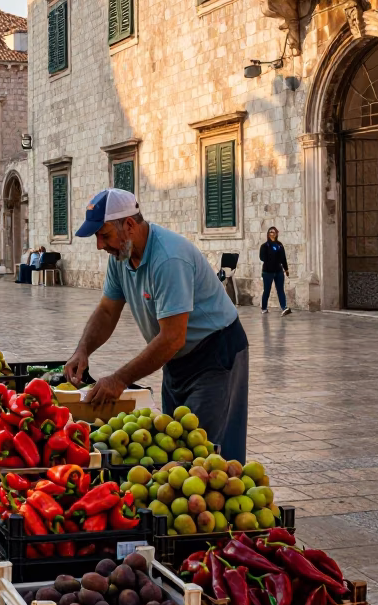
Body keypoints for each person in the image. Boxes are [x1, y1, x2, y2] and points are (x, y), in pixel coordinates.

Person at [63, 188, 249, 464]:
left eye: (104, 235)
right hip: (176, 361)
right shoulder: (121, 257)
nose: (100, 246)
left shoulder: (168, 259)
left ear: (129, 225)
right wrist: (83, 350)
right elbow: (106, 310)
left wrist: (119, 380)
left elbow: (173, 338)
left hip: (215, 353)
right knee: (173, 446)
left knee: (203, 454)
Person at [260, 226, 291, 316]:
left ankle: (284, 307)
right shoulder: (265, 246)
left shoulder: (280, 245)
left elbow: (283, 258)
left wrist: (286, 269)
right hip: (268, 272)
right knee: (267, 290)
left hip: (278, 271)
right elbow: (262, 257)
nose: (271, 233)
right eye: (270, 232)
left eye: (273, 232)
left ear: (276, 233)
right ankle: (264, 308)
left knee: (280, 289)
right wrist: (271, 257)